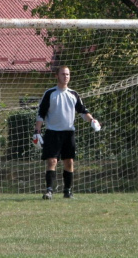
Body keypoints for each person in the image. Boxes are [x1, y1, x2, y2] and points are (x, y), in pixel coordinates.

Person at [35, 66, 100, 200]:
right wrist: (37, 131)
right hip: (52, 133)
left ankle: (67, 191)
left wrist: (92, 120)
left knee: (69, 162)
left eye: (68, 74)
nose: (66, 77)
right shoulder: (50, 93)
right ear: (56, 76)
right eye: (63, 74)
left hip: (68, 133)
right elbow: (41, 113)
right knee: (52, 161)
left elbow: (82, 111)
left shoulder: (73, 94)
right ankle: (49, 191)